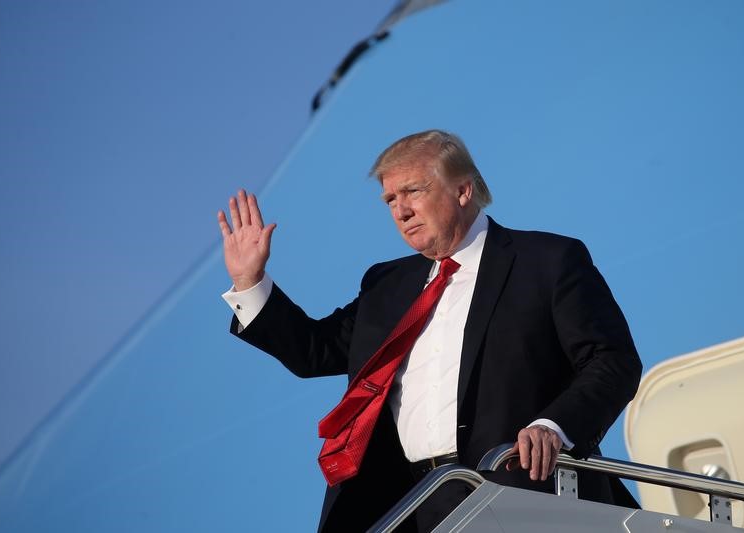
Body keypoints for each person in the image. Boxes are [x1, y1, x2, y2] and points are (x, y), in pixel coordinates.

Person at [218, 130, 642, 532]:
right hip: (407, 505)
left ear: (463, 190)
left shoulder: (546, 260)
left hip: (518, 492)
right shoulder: (386, 285)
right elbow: (314, 351)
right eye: (389, 199)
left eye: (413, 191)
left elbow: (612, 361)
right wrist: (250, 283)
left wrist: (555, 427)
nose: (400, 210)